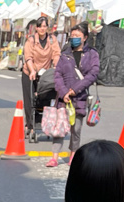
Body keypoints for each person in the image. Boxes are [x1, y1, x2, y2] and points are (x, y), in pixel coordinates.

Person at [47, 23, 99, 168]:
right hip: (63, 98)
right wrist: (64, 92)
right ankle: (54, 157)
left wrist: (75, 90)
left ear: (85, 37)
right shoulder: (65, 54)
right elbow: (57, 75)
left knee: (76, 129)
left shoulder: (92, 54)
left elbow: (93, 74)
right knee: (59, 128)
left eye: (77, 36)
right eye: (72, 35)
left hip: (80, 97)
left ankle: (73, 156)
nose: (74, 38)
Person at [22, 17, 60, 143]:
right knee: (29, 99)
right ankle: (30, 125)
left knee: (45, 97)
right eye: (40, 26)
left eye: (44, 26)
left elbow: (56, 54)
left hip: (45, 73)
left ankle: (42, 121)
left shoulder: (52, 39)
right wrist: (32, 70)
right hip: (30, 72)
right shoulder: (31, 40)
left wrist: (56, 66)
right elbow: (28, 57)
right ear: (36, 28)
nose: (42, 29)